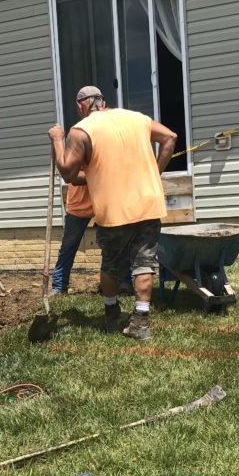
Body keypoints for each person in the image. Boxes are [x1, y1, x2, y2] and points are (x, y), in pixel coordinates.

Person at [48, 86, 177, 341]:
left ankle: (111, 313)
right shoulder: (137, 118)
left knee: (110, 264)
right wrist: (155, 172)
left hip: (114, 208)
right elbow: (170, 137)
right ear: (104, 101)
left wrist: (56, 139)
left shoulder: (81, 130)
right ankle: (140, 323)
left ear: (81, 106)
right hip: (147, 205)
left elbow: (67, 173)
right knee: (144, 264)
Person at [50, 166, 93, 295]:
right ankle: (59, 286)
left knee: (116, 245)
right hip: (78, 206)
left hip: (104, 202)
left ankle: (123, 282)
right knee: (68, 248)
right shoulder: (76, 147)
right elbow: (71, 175)